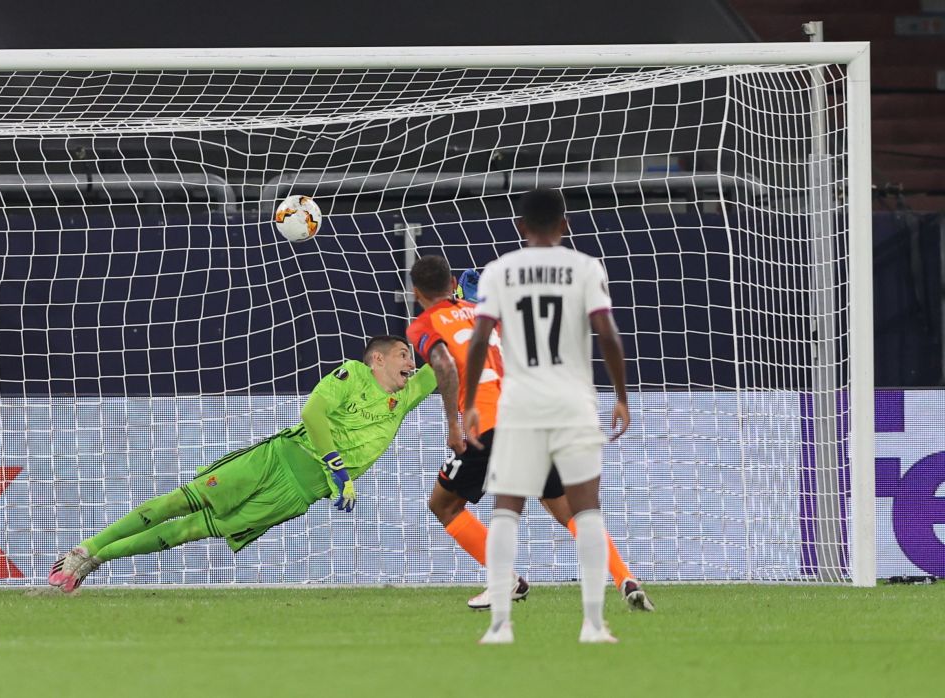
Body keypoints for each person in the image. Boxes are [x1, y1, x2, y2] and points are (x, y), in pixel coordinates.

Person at [49, 336, 436, 592]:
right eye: (405, 354)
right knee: (182, 501)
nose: (411, 363)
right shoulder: (352, 373)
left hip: (299, 494)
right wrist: (337, 466)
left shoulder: (405, 397)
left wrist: (461, 305)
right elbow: (313, 413)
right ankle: (85, 549)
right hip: (278, 458)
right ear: (378, 359)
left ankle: (96, 560)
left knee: (191, 531)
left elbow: (449, 358)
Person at [407, 254, 652, 612]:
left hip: (488, 423)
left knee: (443, 504)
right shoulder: (484, 313)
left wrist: (453, 424)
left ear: (416, 293)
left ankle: (505, 580)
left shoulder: (424, 323)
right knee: (567, 508)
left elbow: (443, 364)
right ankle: (624, 576)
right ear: (452, 284)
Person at [461, 188, 629, 645]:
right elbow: (606, 332)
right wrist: (620, 395)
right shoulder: (586, 267)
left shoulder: (498, 272)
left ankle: (499, 626)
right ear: (565, 225)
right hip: (573, 402)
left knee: (505, 512)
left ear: (520, 226)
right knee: (586, 511)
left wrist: (472, 402)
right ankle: (594, 625)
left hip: (520, 404)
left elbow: (478, 341)